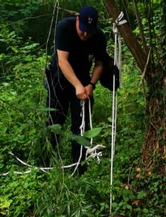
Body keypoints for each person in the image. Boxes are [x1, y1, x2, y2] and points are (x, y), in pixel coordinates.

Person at [45, 5, 108, 173]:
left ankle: (79, 166)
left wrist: (91, 85)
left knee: (81, 125)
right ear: (77, 20)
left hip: (83, 83)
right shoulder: (64, 27)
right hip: (58, 81)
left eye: (89, 31)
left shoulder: (99, 37)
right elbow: (62, 61)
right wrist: (77, 85)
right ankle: (47, 162)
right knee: (54, 122)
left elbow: (100, 63)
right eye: (82, 30)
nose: (85, 34)